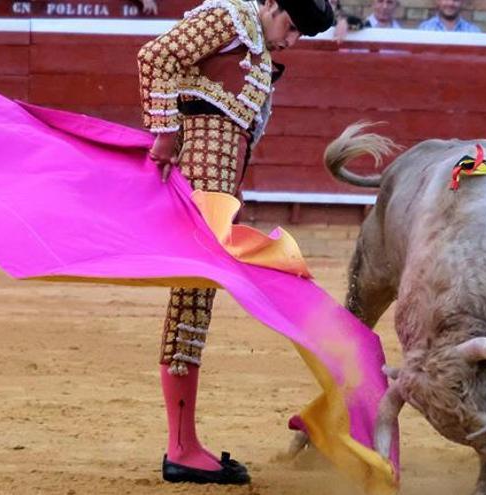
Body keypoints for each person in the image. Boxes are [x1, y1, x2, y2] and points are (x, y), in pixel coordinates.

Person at [136, 0, 334, 485]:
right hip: (200, 192)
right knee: (190, 306)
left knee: (194, 308)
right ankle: (181, 448)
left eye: (301, 36)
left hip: (218, 197)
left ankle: (184, 444)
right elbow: (155, 55)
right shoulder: (230, 17)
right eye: (291, 25)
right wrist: (163, 134)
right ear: (270, 3)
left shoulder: (256, 46)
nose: (292, 41)